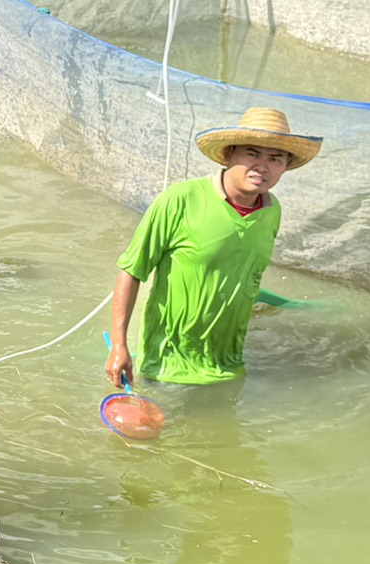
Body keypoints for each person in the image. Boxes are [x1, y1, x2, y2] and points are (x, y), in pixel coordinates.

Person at [104, 107, 322, 390]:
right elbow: (131, 270)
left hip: (231, 367)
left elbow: (245, 274)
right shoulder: (181, 199)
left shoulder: (272, 211)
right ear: (229, 154)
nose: (262, 166)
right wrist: (119, 345)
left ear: (286, 164)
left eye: (275, 158)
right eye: (252, 154)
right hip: (167, 370)